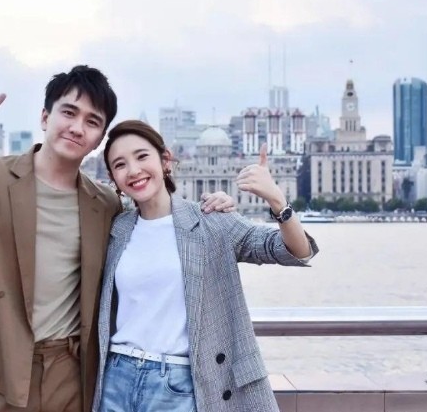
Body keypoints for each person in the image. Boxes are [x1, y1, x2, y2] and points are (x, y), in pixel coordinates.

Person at [0, 66, 234, 412]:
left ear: (99, 139)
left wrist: (210, 208)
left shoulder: (105, 203)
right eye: (69, 113)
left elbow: (156, 232)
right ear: (45, 117)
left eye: (92, 121)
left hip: (71, 373)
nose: (77, 127)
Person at [93, 120, 320, 412]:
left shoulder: (211, 220)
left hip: (177, 382)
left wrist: (277, 200)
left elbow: (294, 251)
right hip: (116, 378)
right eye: (120, 164)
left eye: (142, 156)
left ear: (165, 160)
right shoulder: (116, 228)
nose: (134, 170)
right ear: (113, 177)